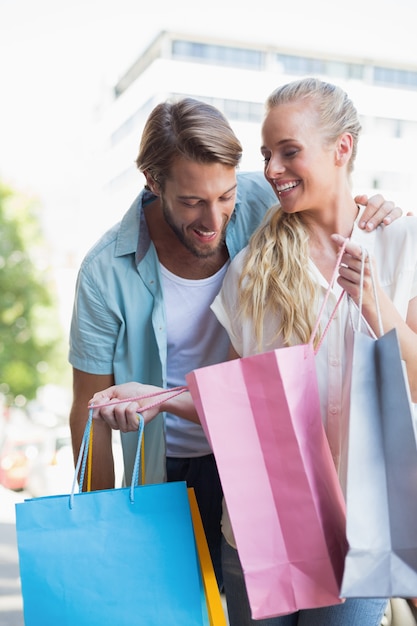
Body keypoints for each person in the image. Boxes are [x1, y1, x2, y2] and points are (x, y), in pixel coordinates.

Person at [70, 96, 403, 592]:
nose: (214, 218)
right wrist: (98, 526)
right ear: (153, 184)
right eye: (191, 202)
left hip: (265, 459)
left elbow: (329, 196)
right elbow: (87, 409)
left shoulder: (262, 199)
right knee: (171, 604)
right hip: (171, 466)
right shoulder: (105, 272)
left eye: (224, 197)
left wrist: (382, 208)